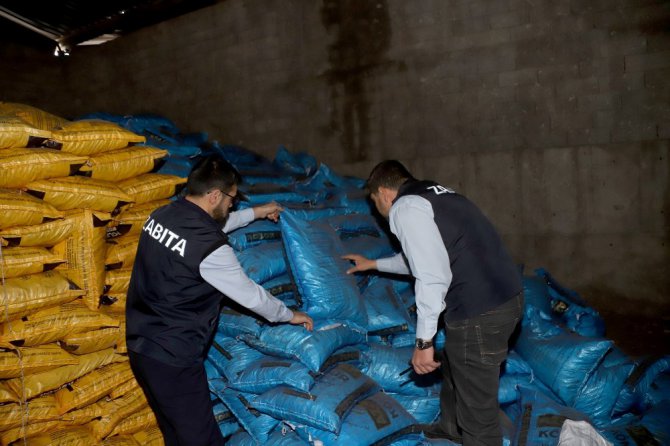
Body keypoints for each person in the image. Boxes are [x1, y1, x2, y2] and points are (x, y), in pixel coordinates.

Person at [126, 155, 314, 446]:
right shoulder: (212, 249)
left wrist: (256, 212)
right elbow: (251, 295)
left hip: (141, 344)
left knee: (175, 435)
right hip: (174, 357)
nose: (232, 205)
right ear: (214, 195)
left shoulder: (162, 215)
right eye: (231, 199)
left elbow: (209, 225)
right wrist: (289, 315)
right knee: (203, 440)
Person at [343, 160, 522, 446]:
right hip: (505, 299)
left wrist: (423, 343)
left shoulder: (405, 208)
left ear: (385, 193)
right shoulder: (436, 195)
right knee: (455, 361)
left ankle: (472, 434)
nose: (378, 210)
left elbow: (431, 275)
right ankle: (451, 427)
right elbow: (427, 254)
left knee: (478, 415)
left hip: (479, 311)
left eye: (375, 201)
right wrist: (374, 263)